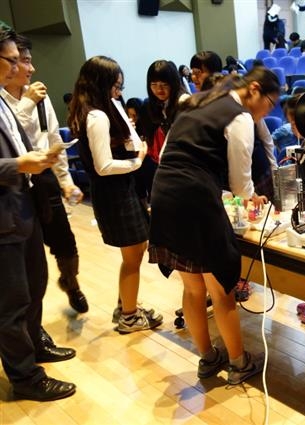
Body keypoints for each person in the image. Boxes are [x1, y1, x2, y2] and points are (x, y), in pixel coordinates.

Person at [148, 68, 278, 383]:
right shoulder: (239, 116)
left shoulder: (195, 103)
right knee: (221, 289)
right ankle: (239, 363)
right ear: (255, 89)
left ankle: (208, 358)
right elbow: (240, 183)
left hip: (164, 192)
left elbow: (166, 154)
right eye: (270, 104)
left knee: (193, 288)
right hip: (196, 198)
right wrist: (251, 199)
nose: (266, 112)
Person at [0, 26, 76, 402]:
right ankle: (25, 377)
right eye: (13, 60)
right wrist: (19, 164)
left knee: (35, 285)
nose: (21, 67)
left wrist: (39, 161)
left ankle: (35, 345)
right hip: (4, 216)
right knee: (12, 302)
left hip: (23, 204)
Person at [68, 56, 163, 333]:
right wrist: (137, 160)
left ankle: (126, 306)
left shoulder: (98, 109)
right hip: (114, 192)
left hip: (119, 189)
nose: (118, 92)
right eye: (115, 86)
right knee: (133, 256)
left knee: (135, 252)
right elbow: (104, 166)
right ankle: (129, 316)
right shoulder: (96, 116)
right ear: (101, 83)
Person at [0, 33, 89, 314]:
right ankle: (31, 321)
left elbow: (53, 140)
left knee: (64, 240)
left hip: (44, 175)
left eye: (26, 60)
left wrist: (66, 181)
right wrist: (26, 104)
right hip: (13, 183)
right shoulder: (6, 100)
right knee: (27, 252)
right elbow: (13, 140)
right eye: (21, 61)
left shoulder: (40, 96)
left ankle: (71, 282)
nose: (30, 68)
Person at [135, 60, 189, 205]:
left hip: (184, 164)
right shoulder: (153, 104)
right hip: (168, 163)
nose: (159, 89)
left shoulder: (183, 101)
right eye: (154, 84)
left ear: (173, 83)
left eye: (164, 84)